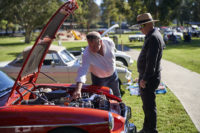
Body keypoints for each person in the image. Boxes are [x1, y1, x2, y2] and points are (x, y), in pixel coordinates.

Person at [135, 13, 165, 133]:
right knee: (147, 106)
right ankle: (147, 128)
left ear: (148, 24)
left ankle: (151, 130)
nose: (140, 29)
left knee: (149, 106)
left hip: (150, 77)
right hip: (148, 76)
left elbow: (151, 62)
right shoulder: (152, 35)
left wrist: (145, 78)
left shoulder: (153, 37)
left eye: (141, 26)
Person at [72, 31, 121, 100]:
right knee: (100, 99)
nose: (92, 48)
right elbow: (82, 71)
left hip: (113, 75)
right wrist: (78, 90)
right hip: (98, 79)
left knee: (116, 96)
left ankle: (120, 109)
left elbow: (113, 52)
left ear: (100, 42)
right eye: (90, 45)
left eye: (94, 46)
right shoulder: (86, 54)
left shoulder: (109, 42)